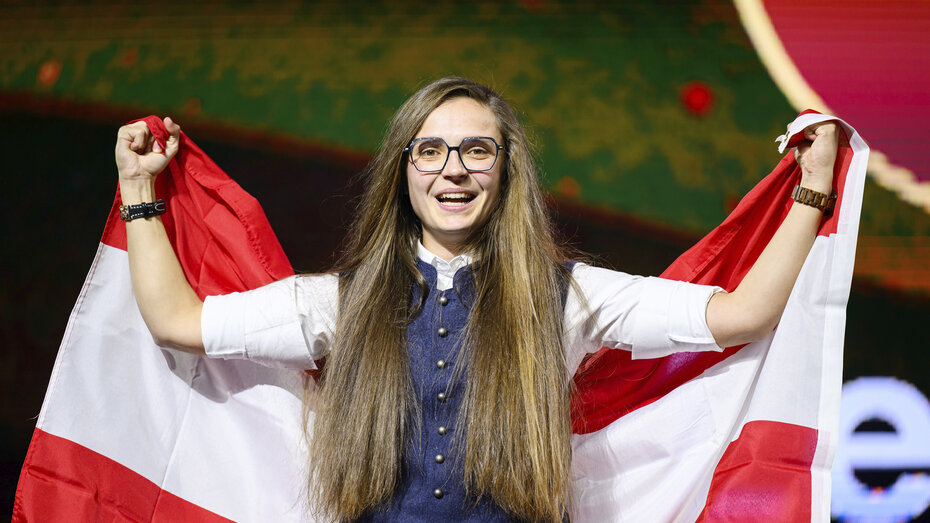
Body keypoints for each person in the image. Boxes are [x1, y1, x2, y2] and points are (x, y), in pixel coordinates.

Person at [114, 77, 839, 521]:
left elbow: (742, 314)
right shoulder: (340, 302)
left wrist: (811, 188)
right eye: (430, 150)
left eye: (477, 150)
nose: (453, 170)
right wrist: (141, 191)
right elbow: (177, 321)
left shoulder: (568, 297)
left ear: (506, 170)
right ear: (403, 170)